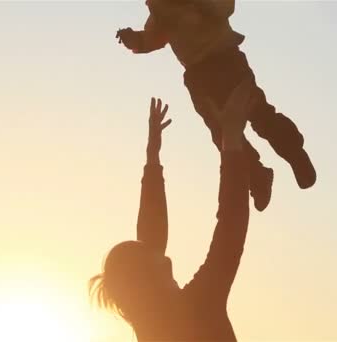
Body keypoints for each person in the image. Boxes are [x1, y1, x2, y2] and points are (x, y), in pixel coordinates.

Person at [89, 80, 254, 341]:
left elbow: (150, 238)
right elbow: (230, 228)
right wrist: (231, 140)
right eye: (155, 260)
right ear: (147, 281)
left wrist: (153, 160)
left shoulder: (150, 329)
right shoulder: (199, 306)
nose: (167, 260)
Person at [115, 0, 317, 211]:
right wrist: (136, 40)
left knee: (258, 113)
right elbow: (154, 36)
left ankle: (294, 154)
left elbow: (225, 7)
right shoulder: (160, 8)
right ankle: (257, 177)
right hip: (198, 75)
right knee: (223, 134)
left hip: (226, 59)